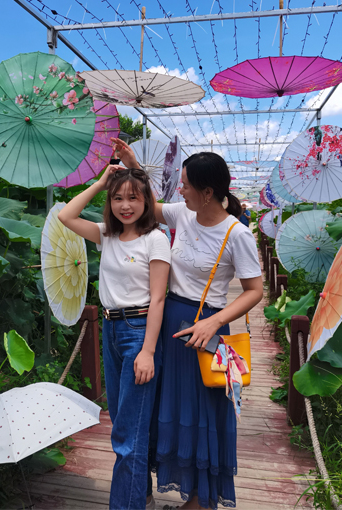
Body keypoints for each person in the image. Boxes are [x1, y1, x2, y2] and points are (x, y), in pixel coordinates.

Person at [111, 139, 264, 509]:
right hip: (169, 324)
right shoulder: (183, 214)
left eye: (185, 184)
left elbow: (254, 291)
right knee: (168, 409)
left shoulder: (237, 233)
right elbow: (148, 205)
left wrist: (215, 323)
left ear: (207, 192)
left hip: (206, 328)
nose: (179, 189)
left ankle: (200, 500)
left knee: (202, 413)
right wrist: (133, 165)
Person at [58, 166, 171, 510]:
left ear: (146, 201)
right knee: (125, 422)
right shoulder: (106, 234)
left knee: (127, 433)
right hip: (110, 330)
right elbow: (66, 216)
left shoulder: (155, 238)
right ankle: (143, 497)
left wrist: (148, 351)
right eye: (117, 198)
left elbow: (159, 299)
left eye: (133, 198)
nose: (125, 205)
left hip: (139, 332)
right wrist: (99, 183)